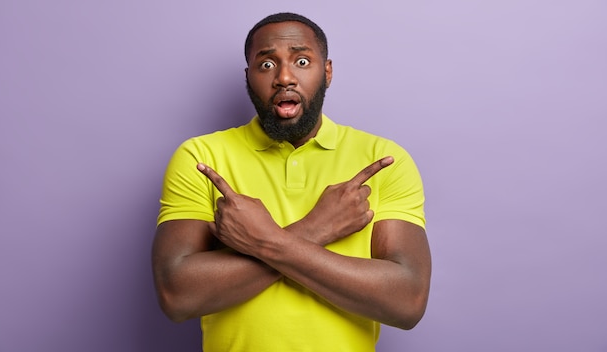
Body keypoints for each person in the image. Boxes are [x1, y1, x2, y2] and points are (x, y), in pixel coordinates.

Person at [152, 12, 431, 352]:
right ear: (248, 76)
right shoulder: (201, 156)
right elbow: (176, 296)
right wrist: (318, 228)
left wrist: (262, 241)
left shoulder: (383, 159)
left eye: (301, 61)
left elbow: (407, 302)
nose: (284, 77)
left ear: (326, 72)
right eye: (266, 65)